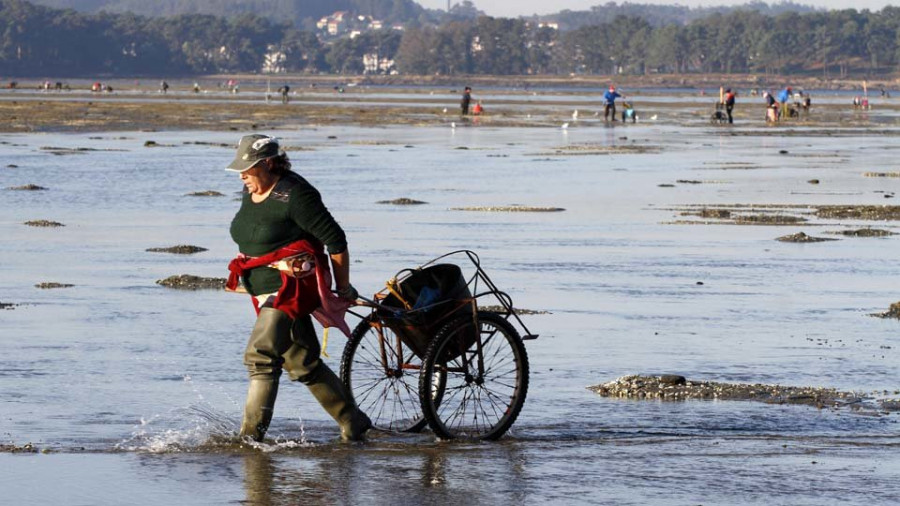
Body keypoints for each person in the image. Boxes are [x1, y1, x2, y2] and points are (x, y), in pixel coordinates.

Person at [225, 134, 371, 443]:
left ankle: (249, 442)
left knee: (260, 357)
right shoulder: (250, 189)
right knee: (301, 362)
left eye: (247, 168)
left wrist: (342, 288)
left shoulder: (296, 195)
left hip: (291, 287)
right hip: (262, 288)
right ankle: (353, 420)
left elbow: (336, 241)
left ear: (267, 163)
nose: (242, 175)